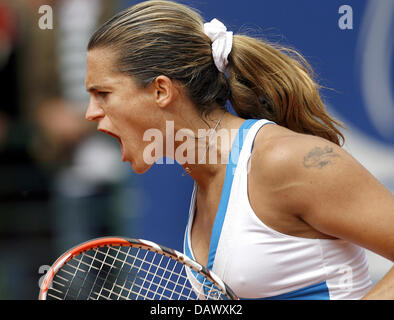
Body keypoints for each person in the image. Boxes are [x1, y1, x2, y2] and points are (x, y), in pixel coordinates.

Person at [84, 0, 394, 299]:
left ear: (161, 91)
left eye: (103, 93)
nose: (90, 112)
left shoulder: (284, 161)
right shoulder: (203, 180)